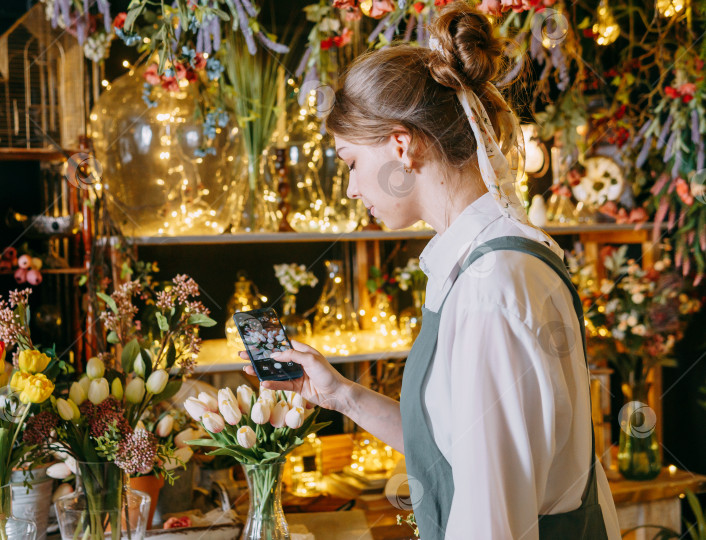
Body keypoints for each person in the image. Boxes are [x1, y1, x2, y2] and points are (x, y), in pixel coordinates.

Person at [241, 3, 621, 539]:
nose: (350, 188)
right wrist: (342, 395)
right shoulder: (484, 262)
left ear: (402, 144)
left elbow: (491, 518)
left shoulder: (491, 288)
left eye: (350, 162)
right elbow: (458, 448)